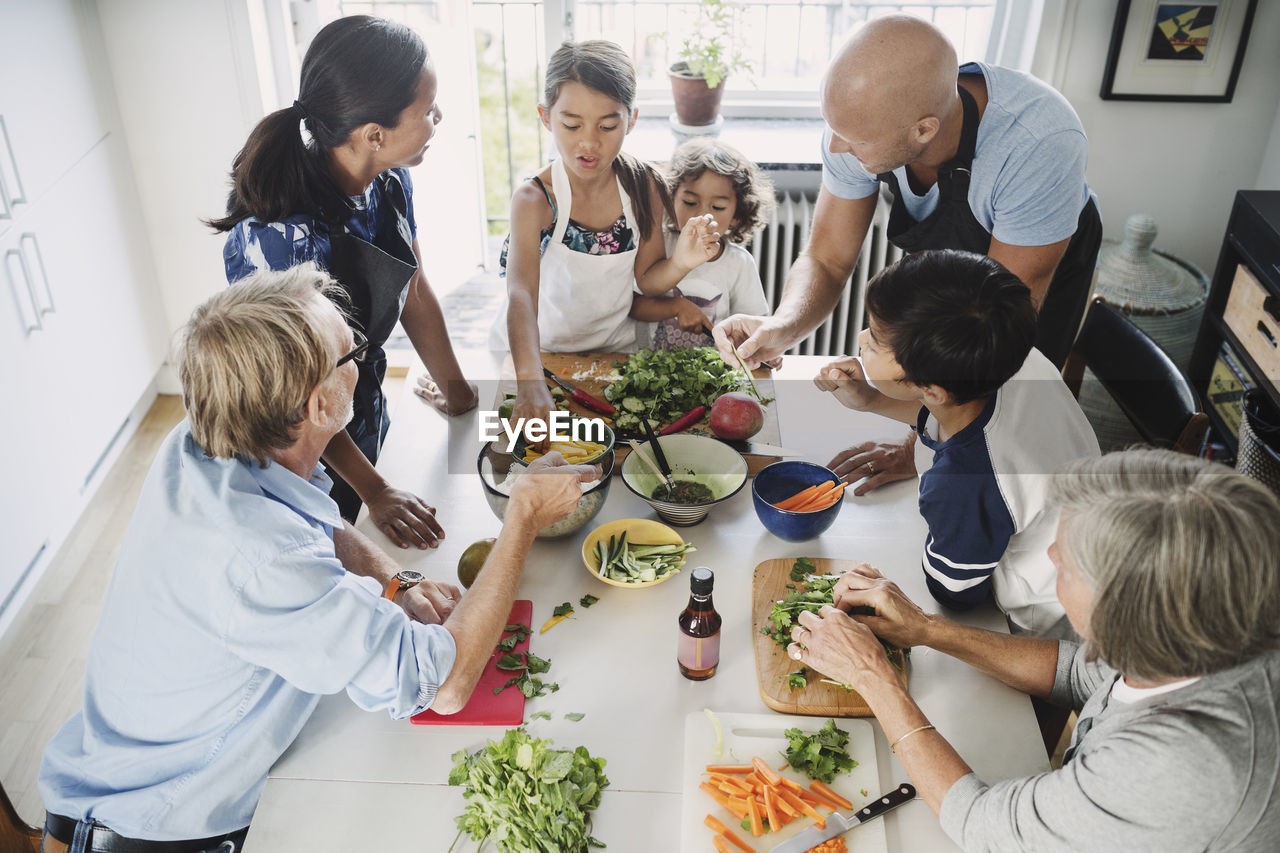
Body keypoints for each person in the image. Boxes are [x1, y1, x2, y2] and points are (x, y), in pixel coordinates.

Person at [36, 266, 597, 853]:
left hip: (125, 778)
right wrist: (523, 519)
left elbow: (313, 521)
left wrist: (397, 581)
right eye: (351, 352)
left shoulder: (210, 437)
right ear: (318, 404)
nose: (361, 361)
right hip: (162, 830)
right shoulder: (262, 560)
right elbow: (446, 686)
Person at [787, 449, 1280, 851]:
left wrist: (874, 676)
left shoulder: (1175, 767)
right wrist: (928, 630)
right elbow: (1079, 673)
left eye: (1068, 563)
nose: (1051, 556)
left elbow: (982, 825)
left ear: (1124, 609)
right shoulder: (1201, 629)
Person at [715, 14, 1102, 493]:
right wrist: (781, 326)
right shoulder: (859, 120)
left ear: (924, 130)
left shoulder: (1039, 146)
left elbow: (988, 343)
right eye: (832, 127)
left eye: (852, 139)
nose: (835, 146)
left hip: (1015, 294)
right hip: (966, 280)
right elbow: (828, 258)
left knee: (1000, 437)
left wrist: (918, 448)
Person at [209, 15, 478, 549]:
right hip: (297, 439)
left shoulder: (387, 179)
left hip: (354, 397)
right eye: (428, 111)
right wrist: (377, 490)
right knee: (337, 555)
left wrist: (460, 393)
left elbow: (415, 291)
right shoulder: (284, 238)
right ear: (373, 134)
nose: (439, 117)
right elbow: (297, 399)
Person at [815, 251, 1098, 636]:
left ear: (930, 389)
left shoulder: (964, 480)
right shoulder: (1012, 355)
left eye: (877, 341)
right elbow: (962, 414)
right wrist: (873, 399)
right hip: (1094, 552)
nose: (863, 340)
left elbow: (954, 594)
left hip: (1041, 627)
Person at [492, 40, 722, 437]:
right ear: (546, 117)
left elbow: (648, 280)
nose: (589, 142)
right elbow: (521, 295)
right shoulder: (534, 200)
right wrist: (530, 381)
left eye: (607, 125)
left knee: (618, 453)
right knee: (526, 456)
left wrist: (682, 260)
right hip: (537, 356)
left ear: (630, 119)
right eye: (572, 124)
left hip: (615, 352)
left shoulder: (643, 184)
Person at [630, 137, 774, 350]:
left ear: (737, 214)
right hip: (647, 365)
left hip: (711, 374)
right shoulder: (658, 245)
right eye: (689, 202)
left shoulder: (739, 264)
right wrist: (675, 307)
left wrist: (765, 347)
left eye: (717, 207)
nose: (701, 216)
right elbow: (632, 306)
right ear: (670, 198)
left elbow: (754, 326)